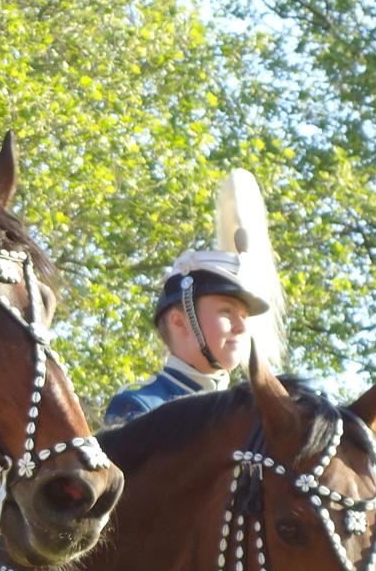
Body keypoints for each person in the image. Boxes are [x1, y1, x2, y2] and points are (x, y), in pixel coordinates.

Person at [104, 171, 285, 427]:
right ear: (180, 322)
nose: (242, 326)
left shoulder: (250, 416)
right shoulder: (139, 406)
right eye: (226, 311)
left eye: (244, 316)